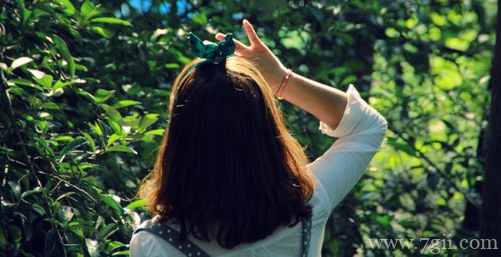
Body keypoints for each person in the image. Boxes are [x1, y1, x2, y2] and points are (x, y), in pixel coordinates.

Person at [130, 19, 387, 256]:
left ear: (180, 138)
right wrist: (281, 80)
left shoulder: (156, 243)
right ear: (266, 128)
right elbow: (369, 126)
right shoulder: (311, 203)